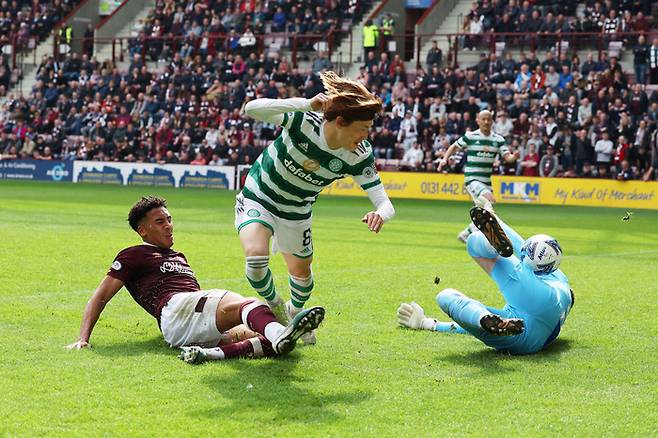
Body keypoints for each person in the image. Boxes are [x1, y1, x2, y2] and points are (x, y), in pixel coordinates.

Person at [66, 196, 325, 364]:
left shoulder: (179, 256)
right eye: (160, 222)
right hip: (175, 310)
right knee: (251, 306)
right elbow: (100, 296)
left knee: (269, 338)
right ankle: (281, 328)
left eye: (169, 219)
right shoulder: (134, 254)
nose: (169, 225)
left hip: (191, 321)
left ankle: (209, 353)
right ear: (143, 230)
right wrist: (83, 338)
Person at [239, 71, 395, 344]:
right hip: (259, 196)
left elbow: (384, 202)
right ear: (340, 122)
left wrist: (379, 214)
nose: (366, 135)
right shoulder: (302, 121)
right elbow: (251, 109)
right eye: (363, 128)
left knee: (302, 275)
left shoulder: (358, 154)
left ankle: (295, 314)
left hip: (297, 211)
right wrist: (304, 103)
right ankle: (277, 309)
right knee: (256, 259)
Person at [397, 207, 574, 355]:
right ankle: (482, 317)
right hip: (529, 340)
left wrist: (494, 216)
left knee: (472, 244)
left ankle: (491, 245)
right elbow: (469, 323)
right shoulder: (559, 285)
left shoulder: (560, 279)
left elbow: (524, 248)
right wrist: (430, 324)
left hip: (527, 326)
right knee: (450, 299)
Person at [437, 110, 519, 243]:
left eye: (488, 119)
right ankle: (483, 237)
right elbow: (454, 147)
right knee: (489, 199)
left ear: (492, 121)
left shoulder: (498, 140)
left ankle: (467, 233)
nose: (486, 122)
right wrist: (444, 159)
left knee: (487, 211)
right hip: (472, 179)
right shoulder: (470, 136)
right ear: (478, 121)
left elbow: (507, 157)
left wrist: (513, 157)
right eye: (483, 119)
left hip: (486, 181)